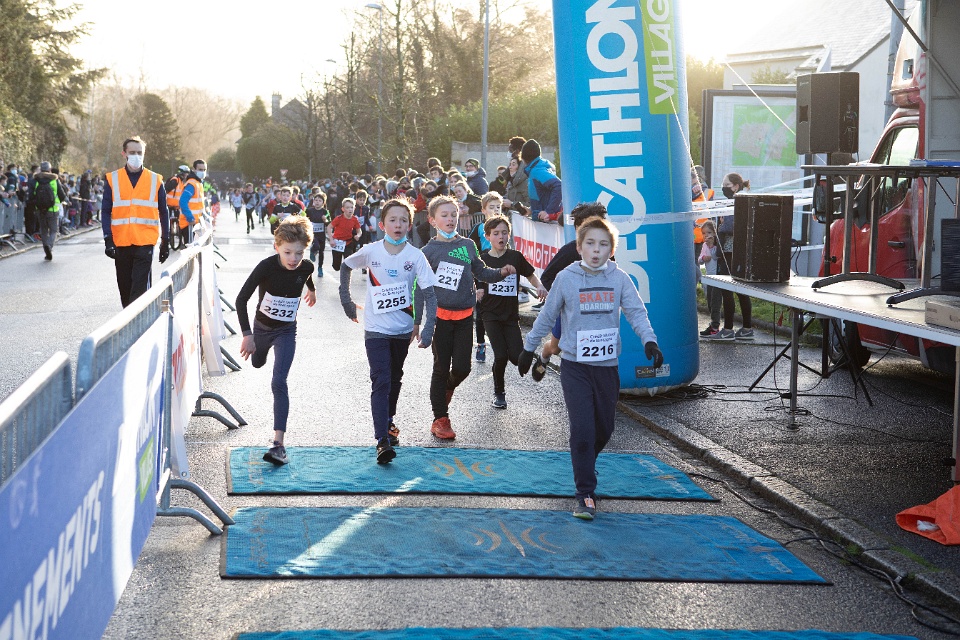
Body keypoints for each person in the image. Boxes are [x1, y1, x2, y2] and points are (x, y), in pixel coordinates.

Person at [518, 216, 662, 520]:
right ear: (579, 247)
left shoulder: (620, 278)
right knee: (582, 429)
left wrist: (650, 341)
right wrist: (528, 348)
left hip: (607, 367)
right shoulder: (566, 278)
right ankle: (585, 493)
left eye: (604, 244)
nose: (597, 250)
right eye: (591, 243)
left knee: (604, 429)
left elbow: (636, 312)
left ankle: (584, 461)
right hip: (575, 366)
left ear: (612, 250)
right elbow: (547, 315)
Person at [339, 198, 439, 463]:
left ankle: (389, 420)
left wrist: (428, 327)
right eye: (393, 220)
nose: (398, 224)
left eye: (403, 220)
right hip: (375, 329)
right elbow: (346, 266)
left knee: (395, 378)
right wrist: (346, 300)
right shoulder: (371, 251)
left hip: (402, 330)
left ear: (409, 225)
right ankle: (382, 440)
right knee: (381, 379)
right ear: (382, 224)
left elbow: (430, 294)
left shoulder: (415, 256)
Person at [413, 195, 514, 440]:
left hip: (465, 317)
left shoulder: (468, 245)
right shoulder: (427, 252)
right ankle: (440, 418)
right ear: (432, 220)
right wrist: (417, 322)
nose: (450, 219)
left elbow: (481, 271)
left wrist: (500, 272)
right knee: (440, 367)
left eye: (454, 215)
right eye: (444, 215)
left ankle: (445, 390)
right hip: (440, 318)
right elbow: (419, 288)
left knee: (462, 368)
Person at [236, 216, 317, 466]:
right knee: (257, 363)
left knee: (279, 381)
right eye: (287, 252)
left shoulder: (306, 267)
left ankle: (278, 443)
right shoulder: (266, 267)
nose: (293, 259)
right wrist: (247, 335)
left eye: (299, 253)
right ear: (276, 247)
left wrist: (312, 290)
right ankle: (260, 351)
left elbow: (307, 274)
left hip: (286, 331)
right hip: (261, 329)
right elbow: (241, 299)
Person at [478, 215, 547, 408]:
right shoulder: (483, 259)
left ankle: (540, 360)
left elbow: (530, 275)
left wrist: (539, 286)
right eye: (496, 233)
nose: (501, 237)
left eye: (504, 233)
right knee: (500, 355)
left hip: (510, 316)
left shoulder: (515, 257)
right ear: (488, 236)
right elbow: (475, 279)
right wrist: (478, 289)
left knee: (517, 358)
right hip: (490, 314)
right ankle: (499, 393)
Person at [532, 202, 610, 365]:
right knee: (556, 348)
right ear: (579, 230)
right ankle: (544, 355)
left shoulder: (606, 250)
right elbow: (547, 277)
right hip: (570, 311)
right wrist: (565, 298)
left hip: (595, 308)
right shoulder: (569, 251)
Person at [101, 136, 171, 307]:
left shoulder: (155, 180)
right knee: (125, 291)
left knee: (139, 292)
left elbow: (163, 211)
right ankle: (130, 319)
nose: (136, 156)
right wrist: (108, 238)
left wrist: (165, 240)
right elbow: (105, 211)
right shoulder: (113, 179)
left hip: (145, 243)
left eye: (140, 153)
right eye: (132, 152)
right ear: (124, 153)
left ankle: (139, 322)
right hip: (121, 242)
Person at [710, 172, 754, 341]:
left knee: (728, 290)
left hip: (730, 252)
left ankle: (728, 329)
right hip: (735, 252)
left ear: (736, 186)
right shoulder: (737, 200)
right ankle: (746, 328)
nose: (723, 188)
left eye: (726, 185)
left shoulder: (737, 201)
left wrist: (721, 226)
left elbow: (728, 226)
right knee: (741, 291)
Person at [468, 191, 505, 362]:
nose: (496, 210)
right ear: (483, 210)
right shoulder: (479, 228)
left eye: (498, 207)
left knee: (502, 308)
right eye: (491, 207)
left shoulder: (505, 226)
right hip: (482, 272)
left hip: (500, 272)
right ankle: (481, 344)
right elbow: (469, 248)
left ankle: (500, 343)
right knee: (482, 310)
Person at [30, 162, 67, 261]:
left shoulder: (35, 180)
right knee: (54, 230)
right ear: (50, 170)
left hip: (40, 209)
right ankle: (49, 246)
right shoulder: (54, 180)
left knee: (44, 230)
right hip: (53, 209)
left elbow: (31, 196)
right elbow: (62, 195)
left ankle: (46, 248)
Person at [520, 139, 562, 223]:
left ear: (523, 158)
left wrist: (548, 212)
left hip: (548, 223)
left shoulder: (537, 171)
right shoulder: (539, 168)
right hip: (545, 221)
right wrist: (531, 210)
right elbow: (543, 195)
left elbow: (558, 185)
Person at [698, 219, 722, 338]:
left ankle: (715, 327)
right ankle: (712, 324)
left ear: (714, 233)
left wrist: (712, 246)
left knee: (715, 302)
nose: (706, 236)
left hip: (717, 278)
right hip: (708, 277)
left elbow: (717, 257)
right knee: (710, 302)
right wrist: (703, 258)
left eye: (709, 233)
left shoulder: (717, 245)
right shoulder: (704, 245)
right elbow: (700, 259)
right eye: (704, 233)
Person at [327, 196, 361, 271]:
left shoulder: (354, 219)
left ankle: (345, 274)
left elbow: (359, 230)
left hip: (348, 243)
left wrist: (358, 235)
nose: (350, 209)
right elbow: (329, 227)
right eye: (347, 207)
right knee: (336, 267)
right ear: (343, 209)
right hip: (337, 243)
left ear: (354, 208)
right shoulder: (338, 218)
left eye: (351, 207)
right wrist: (331, 239)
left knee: (349, 263)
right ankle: (340, 266)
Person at [177, 159, 206, 246]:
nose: (202, 172)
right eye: (200, 169)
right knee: (190, 250)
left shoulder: (198, 183)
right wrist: (190, 218)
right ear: (194, 169)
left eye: (204, 170)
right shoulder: (192, 184)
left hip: (195, 223)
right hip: (189, 224)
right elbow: (183, 202)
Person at [305, 192, 330, 277]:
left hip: (321, 234)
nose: (317, 202)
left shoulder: (325, 212)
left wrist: (325, 220)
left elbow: (329, 223)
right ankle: (313, 251)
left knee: (321, 252)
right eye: (316, 200)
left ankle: (320, 267)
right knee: (316, 245)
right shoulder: (309, 210)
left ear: (323, 202)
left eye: (319, 200)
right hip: (312, 233)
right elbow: (304, 219)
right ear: (313, 201)